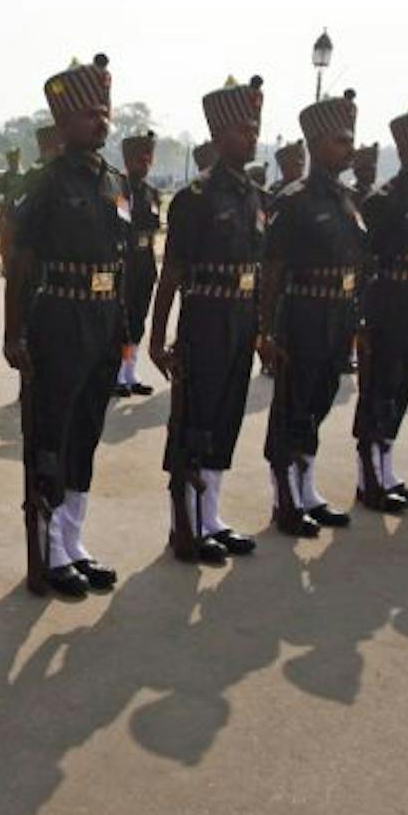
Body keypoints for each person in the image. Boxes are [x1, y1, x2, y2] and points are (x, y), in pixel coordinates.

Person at [5, 55, 128, 596]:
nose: (100, 122)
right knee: (51, 433)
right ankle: (47, 548)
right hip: (59, 313)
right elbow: (21, 261)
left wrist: (123, 328)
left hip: (102, 315)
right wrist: (14, 333)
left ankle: (72, 541)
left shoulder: (116, 181)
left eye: (105, 112)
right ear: (63, 124)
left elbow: (121, 259)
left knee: (87, 431)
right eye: (89, 115)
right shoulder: (47, 181)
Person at [150, 79, 267, 562]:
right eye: (243, 128)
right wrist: (156, 339)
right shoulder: (195, 197)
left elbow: (258, 271)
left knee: (226, 419)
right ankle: (185, 525)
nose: (253, 136)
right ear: (219, 135)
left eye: (255, 127)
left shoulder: (254, 195)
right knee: (195, 421)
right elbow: (171, 273)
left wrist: (261, 326)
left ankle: (210, 515)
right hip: (205, 318)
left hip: (240, 319)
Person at [259, 92, 363, 534]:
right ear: (317, 144)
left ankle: (307, 487)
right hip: (302, 314)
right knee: (292, 405)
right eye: (341, 140)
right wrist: (267, 331)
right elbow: (274, 271)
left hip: (337, 315)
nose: (349, 148)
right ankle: (285, 497)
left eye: (350, 139)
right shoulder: (295, 199)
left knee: (319, 400)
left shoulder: (347, 199)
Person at [352, 103, 408, 510]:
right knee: (379, 387)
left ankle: (387, 468)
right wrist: (360, 317)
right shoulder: (384, 199)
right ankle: (368, 477)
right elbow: (363, 260)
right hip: (387, 300)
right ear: (406, 150)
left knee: (402, 385)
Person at [113, 131, 161, 398]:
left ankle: (130, 370)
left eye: (147, 160)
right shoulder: (120, 189)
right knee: (123, 319)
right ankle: (116, 372)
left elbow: (153, 229)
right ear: (128, 161)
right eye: (138, 160)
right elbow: (121, 226)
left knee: (139, 317)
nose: (143, 165)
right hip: (126, 261)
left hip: (144, 262)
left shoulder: (151, 192)